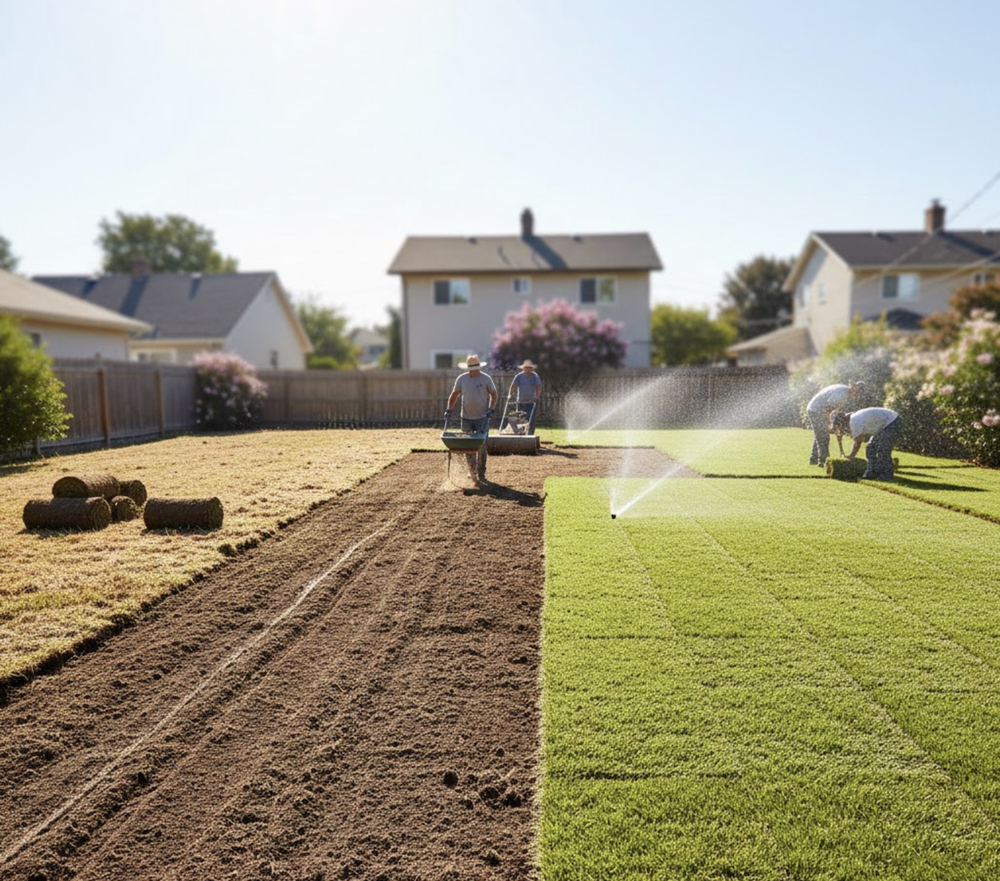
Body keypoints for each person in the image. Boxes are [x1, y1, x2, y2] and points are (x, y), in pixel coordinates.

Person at [445, 354, 497, 485]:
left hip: (482, 418)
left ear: (479, 368)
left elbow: (494, 394)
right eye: (471, 368)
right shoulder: (462, 379)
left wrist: (491, 408)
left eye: (475, 368)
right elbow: (454, 395)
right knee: (468, 445)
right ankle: (472, 472)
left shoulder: (486, 379)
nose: (473, 371)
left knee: (482, 446)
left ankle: (481, 473)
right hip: (466, 417)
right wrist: (449, 409)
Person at [831, 407, 902, 481]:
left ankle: (886, 476)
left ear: (842, 422)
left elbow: (857, 443)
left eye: (838, 426)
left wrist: (851, 456)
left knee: (883, 450)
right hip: (884, 424)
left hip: (892, 421)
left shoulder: (854, 422)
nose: (839, 428)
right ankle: (871, 472)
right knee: (870, 447)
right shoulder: (852, 419)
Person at [805, 380, 865, 466]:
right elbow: (827, 407)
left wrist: (834, 424)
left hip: (816, 409)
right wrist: (829, 421)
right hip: (815, 410)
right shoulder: (842, 393)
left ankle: (813, 459)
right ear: (854, 389)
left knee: (820, 435)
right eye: (857, 394)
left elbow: (835, 409)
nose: (856, 397)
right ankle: (823, 461)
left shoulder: (845, 392)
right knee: (824, 436)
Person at [508, 360, 542, 435]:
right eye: (526, 368)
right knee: (520, 418)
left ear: (532, 369)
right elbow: (514, 386)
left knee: (531, 419)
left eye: (529, 368)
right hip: (521, 401)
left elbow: (539, 387)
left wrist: (537, 397)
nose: (528, 370)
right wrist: (510, 395)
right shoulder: (519, 376)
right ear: (523, 368)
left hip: (531, 402)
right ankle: (520, 432)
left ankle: (530, 434)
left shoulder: (534, 376)